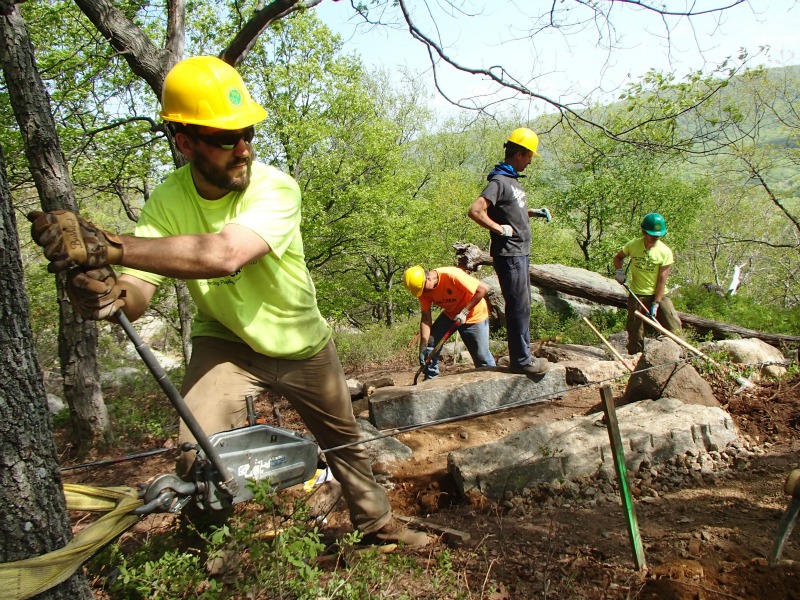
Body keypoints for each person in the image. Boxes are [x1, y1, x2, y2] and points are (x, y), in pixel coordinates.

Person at [27, 56, 428, 547]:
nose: (242, 149)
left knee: (343, 442)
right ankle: (204, 546)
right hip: (225, 340)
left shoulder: (275, 186)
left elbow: (225, 255)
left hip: (301, 342)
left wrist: (108, 245)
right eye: (224, 138)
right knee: (196, 453)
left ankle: (378, 525)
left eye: (247, 133)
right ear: (185, 141)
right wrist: (100, 289)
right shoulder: (168, 201)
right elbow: (137, 295)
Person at [467, 127, 552, 376]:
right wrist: (498, 229)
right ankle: (522, 361)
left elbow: (511, 213)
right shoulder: (499, 181)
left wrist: (533, 212)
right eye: (529, 157)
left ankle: (521, 355)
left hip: (520, 252)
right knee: (518, 306)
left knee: (522, 305)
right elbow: (476, 210)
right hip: (510, 254)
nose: (530, 161)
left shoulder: (512, 181)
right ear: (519, 154)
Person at [402, 265, 496, 380]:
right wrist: (423, 344)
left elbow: (483, 289)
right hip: (451, 314)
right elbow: (426, 318)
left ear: (429, 278)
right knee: (431, 343)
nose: (423, 293)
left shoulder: (452, 275)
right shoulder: (422, 290)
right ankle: (431, 378)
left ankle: (490, 379)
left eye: (424, 289)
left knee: (482, 355)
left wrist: (464, 312)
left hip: (474, 315)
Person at [613, 212, 682, 355]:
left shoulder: (665, 252)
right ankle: (635, 358)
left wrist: (656, 303)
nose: (655, 238)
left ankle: (680, 355)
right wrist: (620, 272)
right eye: (652, 234)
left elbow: (662, 281)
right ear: (644, 231)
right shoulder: (633, 245)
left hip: (659, 294)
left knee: (673, 325)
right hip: (637, 293)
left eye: (658, 235)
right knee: (635, 331)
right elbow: (618, 258)